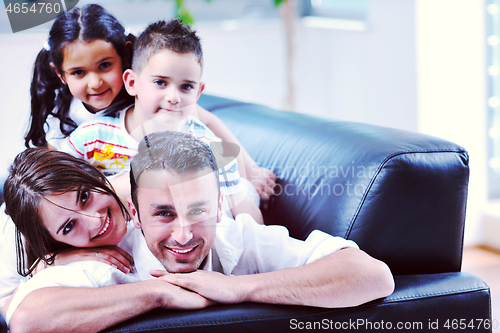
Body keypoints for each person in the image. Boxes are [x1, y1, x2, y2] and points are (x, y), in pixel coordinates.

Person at [3, 131, 395, 332]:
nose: (184, 234)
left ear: (219, 205)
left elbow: (374, 276)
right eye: (164, 215)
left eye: (198, 210)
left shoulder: (236, 235)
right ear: (137, 217)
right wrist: (160, 292)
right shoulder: (106, 260)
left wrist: (238, 289)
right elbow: (24, 320)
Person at [24, 4, 276, 202]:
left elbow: (207, 120)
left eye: (104, 66)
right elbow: (53, 179)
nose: (95, 83)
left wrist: (251, 169)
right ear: (61, 75)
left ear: (125, 58)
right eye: (79, 72)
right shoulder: (64, 117)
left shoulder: (144, 100)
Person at [59, 19, 265, 223]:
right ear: (132, 83)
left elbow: (249, 220)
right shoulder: (92, 137)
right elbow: (52, 189)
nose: (174, 97)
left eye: (186, 87)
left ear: (198, 92)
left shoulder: (209, 148)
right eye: (160, 82)